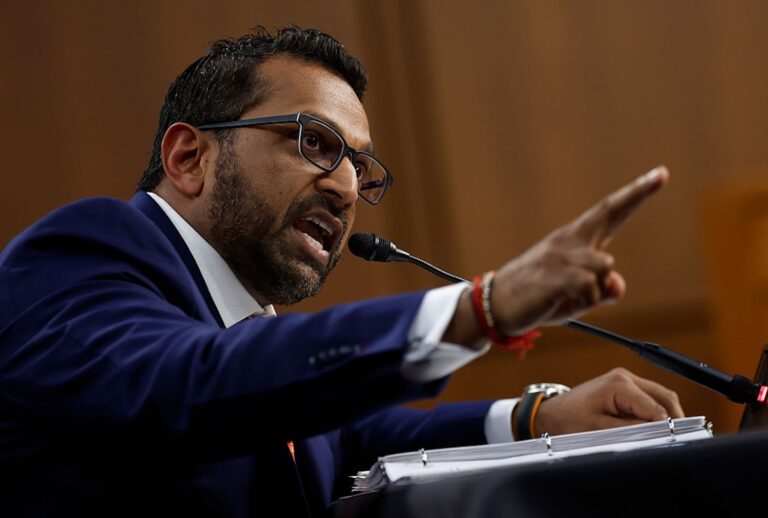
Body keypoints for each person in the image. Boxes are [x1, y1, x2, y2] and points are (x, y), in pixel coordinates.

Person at [0, 26, 681, 517]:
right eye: (316, 144)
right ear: (189, 159)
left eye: (360, 166)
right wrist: (481, 307)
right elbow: (189, 384)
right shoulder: (81, 253)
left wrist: (535, 418)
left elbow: (346, 442)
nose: (348, 189)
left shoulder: (243, 321)